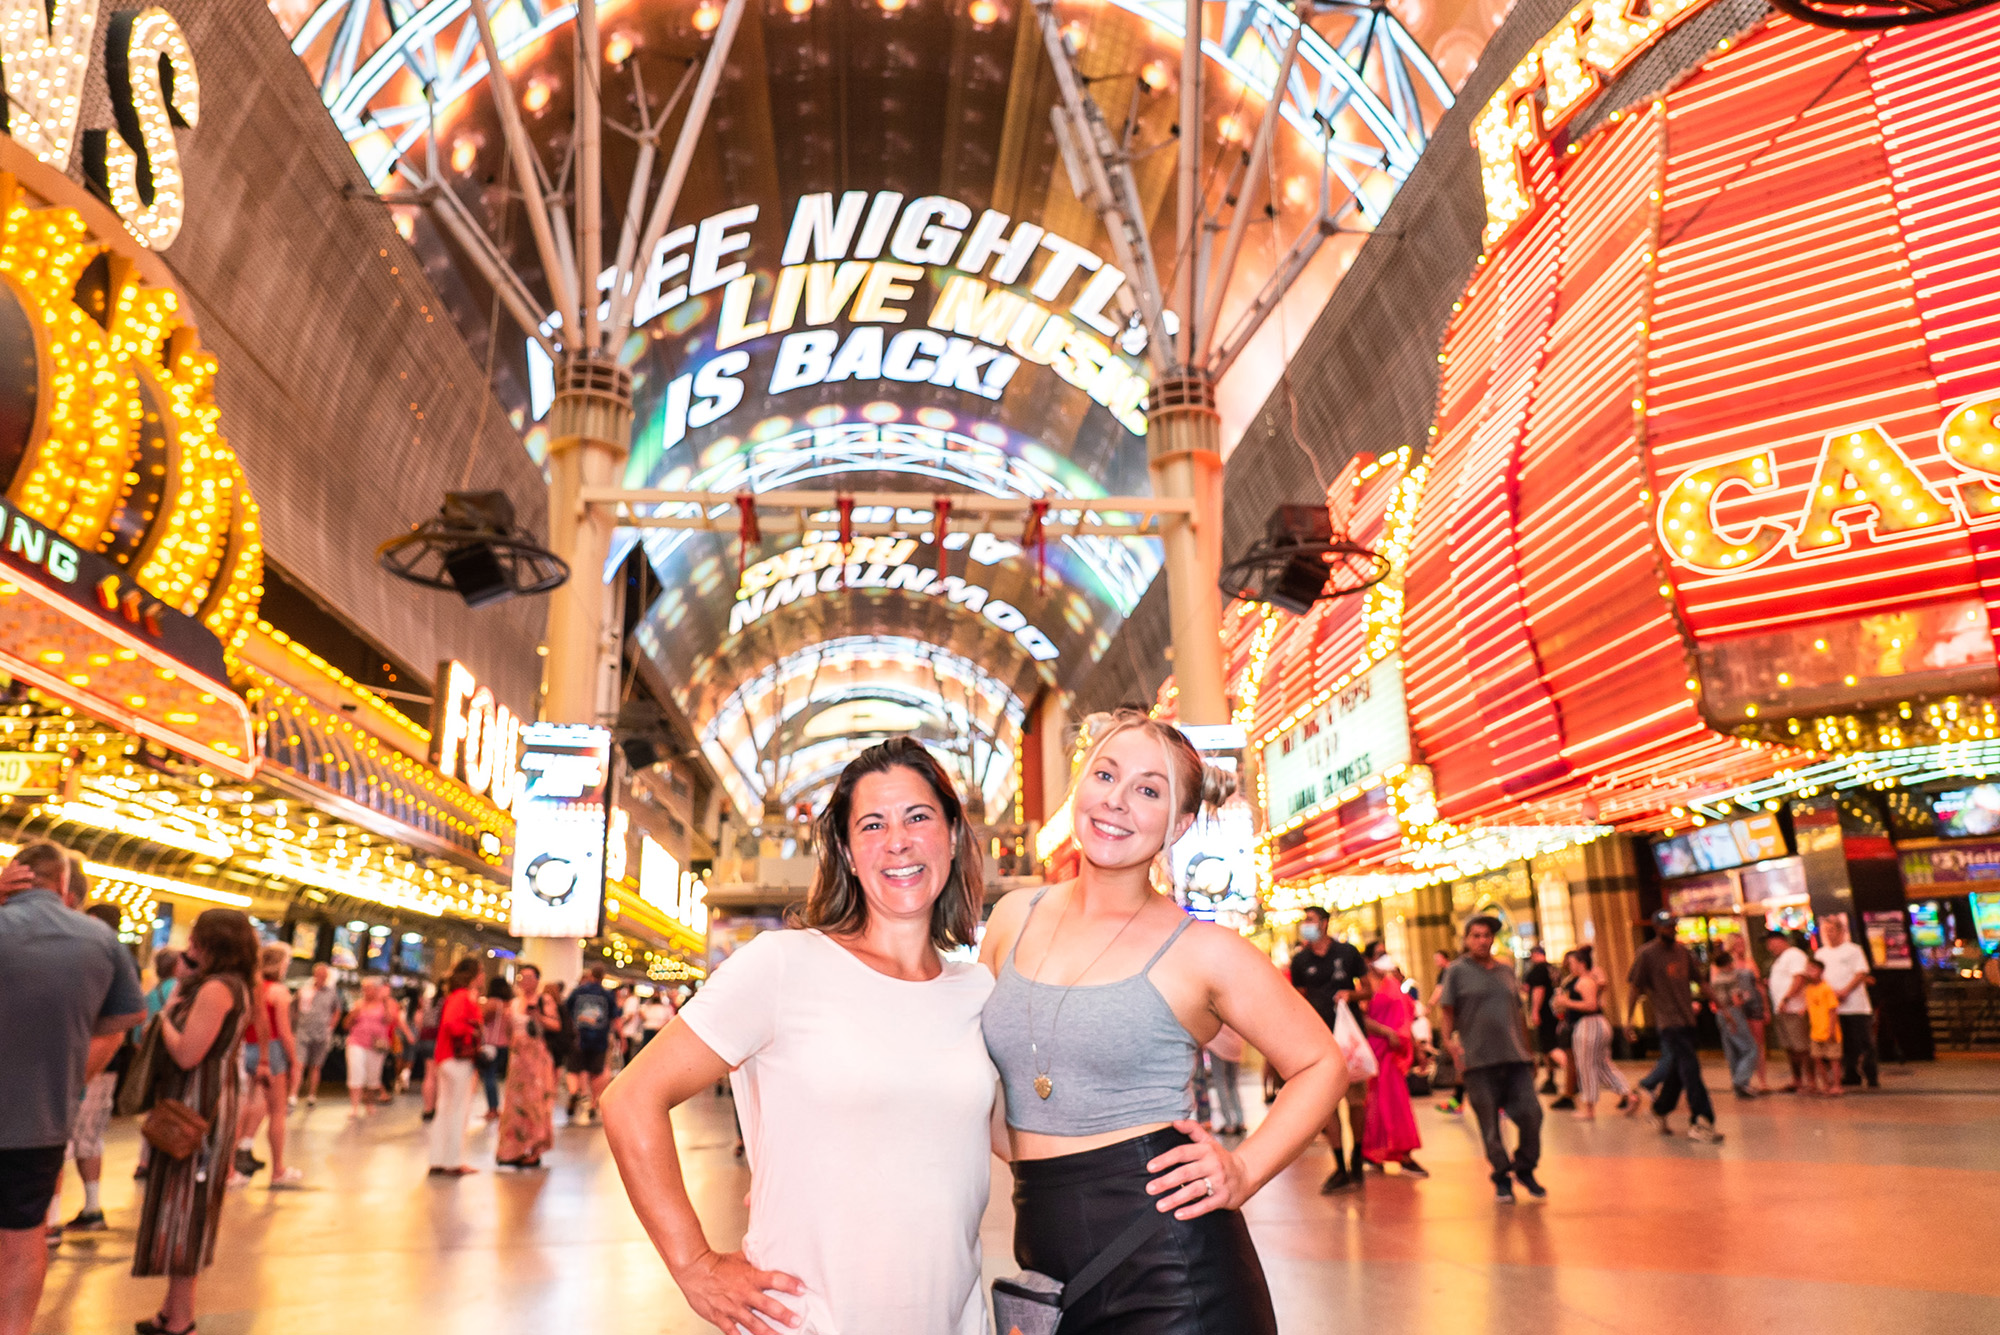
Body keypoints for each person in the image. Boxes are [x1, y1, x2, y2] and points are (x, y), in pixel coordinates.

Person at [602, 738, 994, 1333]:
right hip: (809, 1321)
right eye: (872, 824)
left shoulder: (980, 991)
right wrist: (695, 1265)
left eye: (918, 817)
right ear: (846, 850)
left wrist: (1183, 1145)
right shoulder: (783, 966)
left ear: (952, 836)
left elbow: (1025, 1139)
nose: (898, 841)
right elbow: (630, 1099)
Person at [981, 710, 1346, 1333]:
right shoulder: (1015, 916)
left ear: (1178, 825)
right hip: (1044, 1248)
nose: (1116, 802)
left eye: (1148, 790)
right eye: (1105, 775)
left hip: (1172, 1260)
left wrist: (1243, 1170)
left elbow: (1321, 1063)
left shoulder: (1202, 950)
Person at [0, 842, 145, 1335]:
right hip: (39, 1119)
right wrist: (71, 1078)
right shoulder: (101, 941)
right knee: (24, 1236)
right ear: (67, 885)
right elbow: (119, 1024)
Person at [131, 908, 259, 1335]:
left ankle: (180, 1319)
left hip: (195, 1111)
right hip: (209, 1105)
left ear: (211, 945)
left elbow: (188, 1053)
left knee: (185, 1211)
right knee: (188, 1207)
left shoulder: (218, 989)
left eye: (196, 940)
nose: (189, 948)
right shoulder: (236, 986)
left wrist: (164, 1016)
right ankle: (170, 1311)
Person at [1435, 916, 1545, 1202]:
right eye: (1476, 935)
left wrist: (1529, 1052)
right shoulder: (1456, 971)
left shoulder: (1506, 971)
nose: (1482, 940)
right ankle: (1501, 1177)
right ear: (1466, 939)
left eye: (1486, 936)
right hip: (1478, 1060)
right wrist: (1449, 1045)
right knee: (1490, 1126)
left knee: (1532, 1114)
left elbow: (1518, 1014)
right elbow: (1447, 1012)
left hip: (1514, 1057)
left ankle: (1524, 1166)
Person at [60, 904, 136, 1234]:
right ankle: (88, 1208)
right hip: (99, 1060)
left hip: (95, 1060)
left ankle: (61, 1218)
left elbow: (125, 1019)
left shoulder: (105, 957)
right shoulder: (117, 957)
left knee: (72, 1135)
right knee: (86, 1135)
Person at [1288, 904, 1368, 1192]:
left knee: (1356, 1100)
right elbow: (1298, 997)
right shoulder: (1300, 960)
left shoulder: (1347, 953)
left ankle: (1357, 1157)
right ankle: (1340, 1166)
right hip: (1318, 1040)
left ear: (1323, 923)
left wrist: (1352, 994)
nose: (1305, 925)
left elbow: (1368, 988)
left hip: (1350, 1037)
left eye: (1309, 920)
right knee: (1327, 1104)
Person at [1626, 910, 1724, 1143]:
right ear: (1657, 928)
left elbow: (1700, 982)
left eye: (1673, 925)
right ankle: (1701, 1120)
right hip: (1669, 1023)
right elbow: (1634, 988)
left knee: (1678, 1073)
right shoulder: (1647, 954)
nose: (1671, 929)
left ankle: (1659, 1110)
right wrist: (1628, 1021)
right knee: (1691, 1070)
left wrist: (1723, 1008)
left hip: (1688, 1020)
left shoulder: (1683, 952)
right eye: (1666, 926)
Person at [232, 944, 303, 1188]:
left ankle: (232, 1165)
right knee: (277, 1110)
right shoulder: (279, 992)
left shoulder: (250, 987)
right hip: (270, 1049)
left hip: (245, 1046)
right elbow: (283, 1031)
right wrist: (295, 1061)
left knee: (245, 1104)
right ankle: (278, 1169)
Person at [1360, 958, 1425, 1176]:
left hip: (1393, 1052)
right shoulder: (1363, 986)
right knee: (1376, 1103)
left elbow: (1405, 1018)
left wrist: (1416, 1047)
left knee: (1396, 1102)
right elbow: (1361, 1018)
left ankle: (1401, 1152)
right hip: (1377, 1050)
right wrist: (1387, 1033)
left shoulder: (1392, 984)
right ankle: (1373, 1151)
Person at [1553, 946, 1634, 1119]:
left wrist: (1567, 1003)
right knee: (1602, 1065)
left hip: (1589, 1025)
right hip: (1592, 1025)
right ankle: (1628, 1094)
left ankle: (1589, 1109)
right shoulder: (1577, 979)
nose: (1570, 966)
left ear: (1582, 963)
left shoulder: (1585, 981)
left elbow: (1591, 1005)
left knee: (1586, 1066)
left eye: (1573, 963)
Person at [497, 965, 560, 1169]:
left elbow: (556, 1025)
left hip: (537, 1058)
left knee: (536, 1103)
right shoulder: (514, 1003)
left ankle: (535, 1148)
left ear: (537, 980)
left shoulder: (544, 1000)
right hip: (518, 1059)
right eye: (522, 976)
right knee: (515, 1104)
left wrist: (538, 1017)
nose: (524, 980)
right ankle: (512, 1149)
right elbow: (508, 1030)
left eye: (529, 977)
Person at [428, 960, 484, 1176]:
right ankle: (453, 1161)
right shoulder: (463, 996)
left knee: (445, 1110)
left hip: (445, 1057)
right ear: (474, 975)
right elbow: (453, 1024)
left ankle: (438, 1159)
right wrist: (473, 1032)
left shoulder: (454, 996)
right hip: (458, 1059)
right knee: (458, 1110)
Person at [1815, 915, 1878, 1089]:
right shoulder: (1821, 953)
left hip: (1856, 1005)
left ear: (1841, 931)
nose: (1829, 934)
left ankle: (1871, 1075)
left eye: (1832, 930)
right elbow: (1818, 977)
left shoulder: (1853, 950)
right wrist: (1831, 994)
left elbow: (1861, 973)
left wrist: (1845, 990)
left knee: (1864, 1042)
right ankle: (1851, 1074)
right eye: (1826, 931)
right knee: (1844, 1044)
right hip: (1835, 1008)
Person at [341, 981, 401, 1118]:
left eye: (370, 989)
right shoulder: (358, 1004)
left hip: (376, 1046)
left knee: (373, 1076)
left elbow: (390, 1020)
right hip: (356, 1042)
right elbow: (346, 1025)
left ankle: (369, 1104)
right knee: (356, 1072)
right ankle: (354, 1106)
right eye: (365, 989)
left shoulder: (384, 1005)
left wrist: (385, 1002)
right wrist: (353, 1015)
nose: (367, 992)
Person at [565, 966, 617, 1123]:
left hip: (578, 1038)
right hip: (599, 1039)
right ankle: (594, 1104)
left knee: (574, 1069)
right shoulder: (607, 994)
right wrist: (616, 1036)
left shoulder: (578, 991)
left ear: (590, 975)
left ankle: (574, 1092)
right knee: (596, 1072)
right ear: (603, 977)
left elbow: (566, 1010)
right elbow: (614, 1017)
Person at [1709, 939, 1759, 1100]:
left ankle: (1739, 1085)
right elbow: (1736, 1000)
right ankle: (1740, 1081)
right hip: (1732, 1013)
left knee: (1732, 1051)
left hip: (1720, 1015)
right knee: (1751, 1048)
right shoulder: (1731, 978)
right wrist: (1745, 997)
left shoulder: (1716, 979)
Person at [1766, 929, 1812, 1092]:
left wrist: (1787, 998)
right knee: (1790, 1047)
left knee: (1802, 1047)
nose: (1769, 947)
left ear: (1780, 940)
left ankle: (1810, 1082)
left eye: (1770, 943)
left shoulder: (1794, 955)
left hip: (1795, 1009)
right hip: (1782, 1010)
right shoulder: (1779, 960)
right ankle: (1797, 1080)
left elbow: (1800, 978)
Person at [292, 964, 342, 1109]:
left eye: (324, 975)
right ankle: (293, 1095)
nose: (321, 977)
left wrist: (330, 1026)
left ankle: (311, 1095)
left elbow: (337, 1011)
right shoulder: (304, 989)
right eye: (319, 974)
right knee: (299, 1064)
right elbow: (293, 1008)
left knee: (316, 1066)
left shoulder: (331, 992)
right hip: (303, 1032)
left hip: (321, 1034)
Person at [1427, 949, 1464, 1113]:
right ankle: (1457, 1100)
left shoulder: (1451, 972)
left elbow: (1441, 992)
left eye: (1437, 958)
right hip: (1461, 1025)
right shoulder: (1451, 972)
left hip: (1464, 1024)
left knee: (1463, 1062)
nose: (1436, 962)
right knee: (1461, 1062)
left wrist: (1429, 1005)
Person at [1801, 957, 1843, 1096]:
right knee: (1817, 1058)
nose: (1810, 972)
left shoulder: (1826, 988)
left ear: (1821, 971)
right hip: (1815, 1031)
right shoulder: (1809, 988)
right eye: (1808, 969)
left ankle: (1837, 1085)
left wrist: (1831, 1029)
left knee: (1833, 1059)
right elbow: (1810, 1005)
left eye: (1813, 969)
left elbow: (1832, 1010)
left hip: (1829, 1030)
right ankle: (1826, 1084)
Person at [1522, 946, 1561, 1096]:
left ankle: (1574, 1074)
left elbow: (1539, 990)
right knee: (1547, 1047)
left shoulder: (1538, 969)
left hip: (1545, 1012)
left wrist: (1535, 1012)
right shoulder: (1553, 969)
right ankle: (1550, 1079)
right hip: (1555, 1012)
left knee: (1550, 1046)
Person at [477, 976, 513, 1121]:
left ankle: (493, 1108)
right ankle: (504, 1107)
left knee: (489, 1077)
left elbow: (481, 1020)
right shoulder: (510, 1004)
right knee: (502, 1078)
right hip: (506, 1044)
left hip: (492, 1044)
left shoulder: (492, 1004)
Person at [1205, 1024, 1247, 1136]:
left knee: (1220, 1083)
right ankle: (1240, 1120)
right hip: (1236, 1044)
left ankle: (1229, 1124)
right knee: (1233, 1084)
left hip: (1218, 1044)